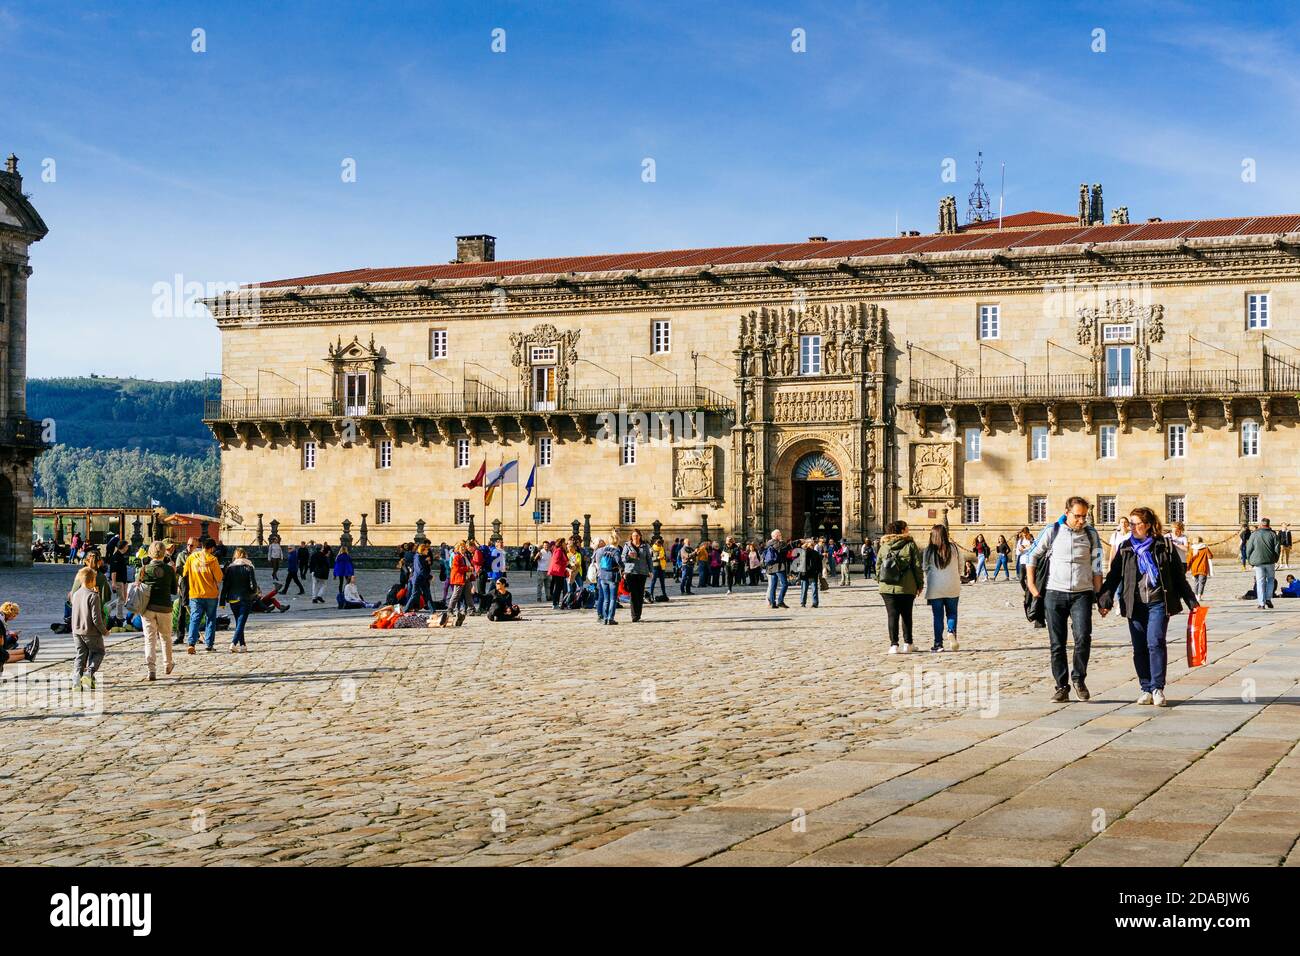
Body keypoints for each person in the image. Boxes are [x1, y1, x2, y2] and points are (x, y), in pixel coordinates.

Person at [1098, 507, 1198, 707]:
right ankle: (1145, 687)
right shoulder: (1126, 548)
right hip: (1134, 605)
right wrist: (1105, 600)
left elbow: (1178, 577)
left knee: (1155, 642)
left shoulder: (1164, 546)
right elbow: (1114, 576)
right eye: (1131, 523)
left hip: (1158, 602)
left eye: (1137, 523)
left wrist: (1192, 602)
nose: (1132, 527)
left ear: (1149, 525)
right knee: (1139, 648)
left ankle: (1157, 687)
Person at [1025, 497, 1104, 703]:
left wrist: (1100, 596)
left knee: (1083, 637)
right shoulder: (1052, 531)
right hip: (1055, 593)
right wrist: (1032, 586)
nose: (1081, 520)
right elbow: (1031, 556)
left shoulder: (1091, 534)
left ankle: (1079, 678)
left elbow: (1097, 566)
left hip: (1082, 593)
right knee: (1057, 643)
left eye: (1083, 516)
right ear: (1067, 512)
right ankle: (1061, 686)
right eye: (1077, 516)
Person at [878, 520, 923, 653]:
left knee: (892, 615)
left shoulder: (884, 545)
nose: (908, 529)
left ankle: (894, 645)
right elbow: (917, 566)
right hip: (907, 586)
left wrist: (880, 581)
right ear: (902, 530)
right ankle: (908, 644)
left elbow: (878, 566)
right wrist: (920, 584)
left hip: (887, 587)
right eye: (906, 527)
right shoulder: (910, 544)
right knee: (906, 615)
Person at [137, 541, 176, 679]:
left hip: (148, 608)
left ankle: (151, 669)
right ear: (164, 553)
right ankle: (168, 664)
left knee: (149, 639)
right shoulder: (169, 569)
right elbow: (174, 590)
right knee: (165, 637)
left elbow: (138, 586)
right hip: (164, 607)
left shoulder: (144, 569)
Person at [922, 524, 962, 652]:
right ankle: (951, 632)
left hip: (935, 587)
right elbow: (961, 565)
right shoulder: (954, 548)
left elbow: (925, 568)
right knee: (952, 613)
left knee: (937, 616)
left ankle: (938, 644)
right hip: (952, 585)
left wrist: (931, 575)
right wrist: (956, 575)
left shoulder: (928, 550)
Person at [183, 537, 224, 653]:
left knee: (194, 619)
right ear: (211, 548)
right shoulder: (213, 559)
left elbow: (185, 573)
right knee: (210, 619)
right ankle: (209, 645)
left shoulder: (191, 558)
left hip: (195, 594)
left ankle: (191, 643)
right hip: (211, 594)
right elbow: (219, 578)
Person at [71, 566, 109, 690]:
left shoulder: (75, 594)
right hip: (91, 631)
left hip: (77, 631)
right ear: (92, 580)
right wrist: (104, 631)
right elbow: (96, 618)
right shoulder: (93, 596)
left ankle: (76, 678)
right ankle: (89, 673)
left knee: (80, 654)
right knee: (98, 652)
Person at [219, 547, 259, 652]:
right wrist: (254, 592)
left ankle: (243, 645)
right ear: (245, 555)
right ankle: (234, 643)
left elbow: (226, 585)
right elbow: (253, 584)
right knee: (241, 623)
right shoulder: (249, 567)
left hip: (232, 599)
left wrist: (222, 601)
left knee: (239, 622)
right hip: (245, 598)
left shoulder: (230, 568)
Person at [1246, 518, 1282, 610]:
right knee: (1270, 580)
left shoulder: (1254, 534)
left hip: (1258, 562)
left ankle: (1261, 603)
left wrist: (1249, 560)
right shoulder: (1273, 534)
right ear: (1269, 525)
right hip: (1270, 561)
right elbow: (1277, 549)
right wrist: (1275, 559)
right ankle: (1268, 599)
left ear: (1261, 525)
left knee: (1260, 582)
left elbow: (1249, 548)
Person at [621, 529, 652, 622]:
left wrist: (651, 571)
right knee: (633, 594)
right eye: (634, 536)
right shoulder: (627, 545)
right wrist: (629, 556)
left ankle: (639, 614)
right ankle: (634, 615)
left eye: (637, 535)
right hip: (631, 572)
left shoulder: (645, 546)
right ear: (631, 537)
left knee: (640, 594)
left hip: (642, 572)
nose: (635, 537)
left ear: (640, 536)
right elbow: (622, 558)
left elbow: (649, 559)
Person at [591, 537, 622, 624]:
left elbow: (594, 560)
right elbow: (619, 562)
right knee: (613, 599)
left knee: (605, 598)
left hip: (602, 576)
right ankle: (610, 618)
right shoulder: (615, 551)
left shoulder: (600, 550)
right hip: (612, 576)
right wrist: (622, 568)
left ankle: (604, 618)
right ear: (617, 542)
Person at [404, 543, 436, 613]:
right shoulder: (418, 557)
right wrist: (430, 577)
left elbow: (425, 566)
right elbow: (420, 570)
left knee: (428, 595)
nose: (427, 552)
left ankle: (433, 611)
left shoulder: (421, 556)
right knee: (414, 595)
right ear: (422, 550)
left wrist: (427, 561)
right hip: (418, 580)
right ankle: (405, 610)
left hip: (423, 579)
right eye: (426, 550)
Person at [763, 530, 790, 609]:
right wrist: (782, 542)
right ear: (775, 536)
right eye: (779, 535)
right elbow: (785, 546)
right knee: (785, 584)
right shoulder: (776, 543)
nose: (781, 536)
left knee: (773, 585)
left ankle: (772, 602)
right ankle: (780, 601)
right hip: (778, 566)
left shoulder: (768, 543)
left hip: (771, 567)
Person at [793, 538, 823, 608]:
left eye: (812, 544)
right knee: (807, 589)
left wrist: (819, 572)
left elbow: (819, 564)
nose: (812, 545)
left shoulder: (814, 553)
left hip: (811, 573)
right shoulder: (804, 552)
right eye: (811, 544)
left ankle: (811, 602)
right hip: (806, 573)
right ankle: (805, 602)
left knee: (811, 589)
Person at [547, 539, 569, 609]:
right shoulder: (559, 550)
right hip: (557, 572)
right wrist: (565, 563)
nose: (565, 544)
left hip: (559, 571)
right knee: (557, 588)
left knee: (559, 588)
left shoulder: (560, 550)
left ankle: (556, 603)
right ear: (561, 543)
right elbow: (556, 560)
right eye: (564, 542)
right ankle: (555, 603)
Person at [649, 535, 670, 602]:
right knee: (653, 582)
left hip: (661, 567)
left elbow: (665, 556)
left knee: (662, 582)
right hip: (655, 567)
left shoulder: (662, 548)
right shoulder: (651, 549)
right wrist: (657, 558)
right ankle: (651, 595)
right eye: (659, 545)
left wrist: (665, 558)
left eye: (660, 545)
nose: (660, 546)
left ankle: (664, 594)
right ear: (656, 543)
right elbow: (649, 559)